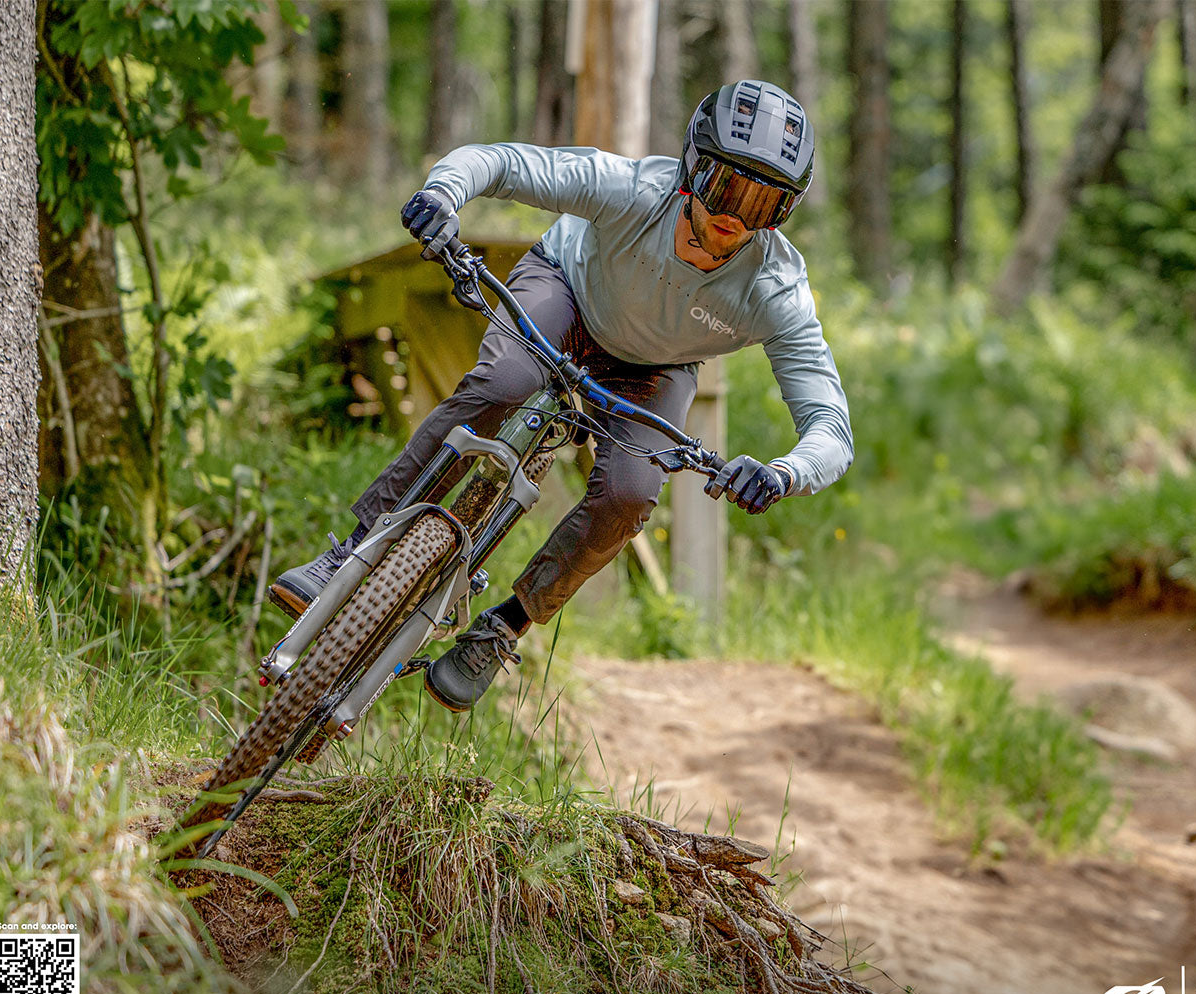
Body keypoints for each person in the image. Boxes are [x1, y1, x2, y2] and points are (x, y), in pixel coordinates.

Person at [269, 79, 853, 710]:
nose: (734, 214)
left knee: (630, 494)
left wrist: (783, 473)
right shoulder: (633, 190)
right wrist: (443, 194)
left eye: (763, 203)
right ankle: (352, 552)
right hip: (566, 293)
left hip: (656, 368)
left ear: (783, 216)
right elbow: (502, 162)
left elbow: (830, 425)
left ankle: (503, 626)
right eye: (726, 186)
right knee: (503, 384)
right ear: (692, 166)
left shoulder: (776, 288)